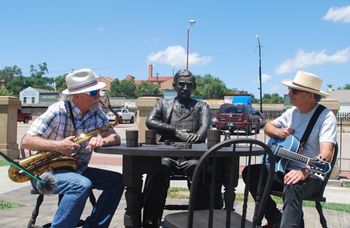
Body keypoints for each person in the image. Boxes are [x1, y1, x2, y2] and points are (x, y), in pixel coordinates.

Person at [21, 68, 124, 228]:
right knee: (80, 184)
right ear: (76, 96)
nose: (98, 96)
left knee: (118, 180)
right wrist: (59, 146)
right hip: (45, 173)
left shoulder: (96, 112)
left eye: (98, 91)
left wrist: (103, 141)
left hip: (77, 169)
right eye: (93, 92)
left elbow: (115, 137)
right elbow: (26, 141)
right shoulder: (57, 110)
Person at [242, 71, 337, 228]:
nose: (289, 93)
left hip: (311, 176)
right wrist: (278, 132)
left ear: (310, 95)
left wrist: (303, 172)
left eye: (294, 91)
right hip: (284, 171)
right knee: (251, 173)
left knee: (293, 184)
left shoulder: (325, 117)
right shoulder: (292, 112)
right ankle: (275, 219)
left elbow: (326, 154)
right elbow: (267, 126)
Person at [142, 69, 217, 227]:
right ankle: (150, 221)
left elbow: (203, 131)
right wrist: (175, 131)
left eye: (189, 85)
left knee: (200, 171)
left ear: (194, 87)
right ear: (174, 85)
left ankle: (200, 221)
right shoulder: (164, 104)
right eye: (181, 84)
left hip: (193, 156)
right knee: (157, 170)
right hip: (167, 155)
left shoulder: (201, 106)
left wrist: (196, 136)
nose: (185, 88)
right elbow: (150, 121)